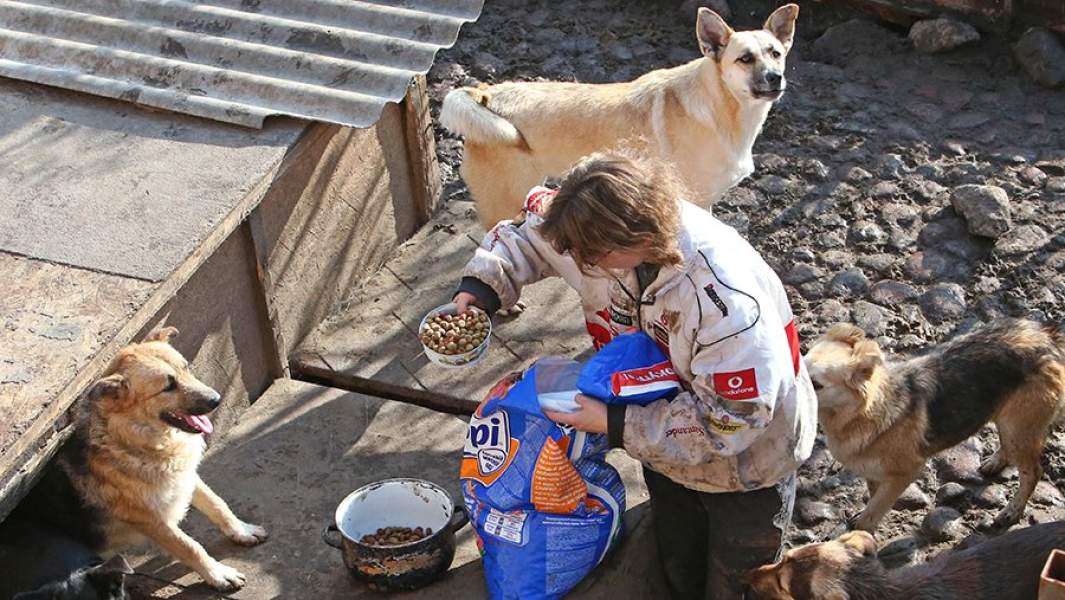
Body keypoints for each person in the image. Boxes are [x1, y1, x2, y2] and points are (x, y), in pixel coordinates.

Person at [452, 152, 817, 600]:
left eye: (589, 258)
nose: (577, 264)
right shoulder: (592, 226)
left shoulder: (726, 303)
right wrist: (482, 289)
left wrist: (615, 424)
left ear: (634, 242)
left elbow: (731, 419)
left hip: (749, 465)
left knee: (739, 579)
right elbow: (531, 237)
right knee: (677, 558)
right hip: (665, 448)